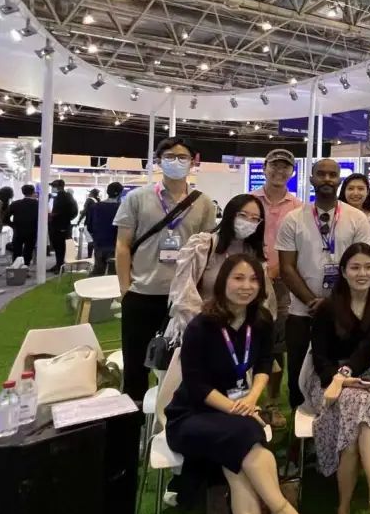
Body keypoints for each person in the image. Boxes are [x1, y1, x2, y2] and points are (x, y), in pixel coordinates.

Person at [164, 254, 315, 514]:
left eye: (253, 279)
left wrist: (252, 398)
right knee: (247, 440)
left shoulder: (260, 320)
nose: (246, 286)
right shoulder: (201, 326)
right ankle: (282, 512)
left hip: (236, 411)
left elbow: (264, 363)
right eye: (238, 278)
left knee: (240, 465)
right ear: (223, 282)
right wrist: (238, 408)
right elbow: (196, 386)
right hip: (192, 415)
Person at [302, 243, 370, 514]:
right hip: (325, 380)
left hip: (363, 374)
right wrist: (340, 379)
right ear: (343, 271)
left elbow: (368, 350)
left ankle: (344, 510)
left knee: (357, 418)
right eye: (355, 267)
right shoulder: (327, 308)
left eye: (368, 267)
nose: (362, 273)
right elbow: (320, 359)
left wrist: (348, 377)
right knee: (362, 404)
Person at [115, 137, 218, 402]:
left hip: (183, 298)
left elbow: (206, 251)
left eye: (182, 157)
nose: (176, 162)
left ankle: (173, 413)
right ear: (158, 161)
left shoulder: (204, 203)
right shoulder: (137, 198)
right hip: (142, 294)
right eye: (169, 156)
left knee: (182, 362)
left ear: (193, 162)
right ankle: (133, 415)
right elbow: (123, 246)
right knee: (135, 362)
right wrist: (125, 289)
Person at [277, 158, 370, 409]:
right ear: (311, 179)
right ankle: (299, 426)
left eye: (333, 174)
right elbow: (286, 268)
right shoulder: (293, 219)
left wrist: (332, 304)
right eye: (321, 174)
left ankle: (333, 419)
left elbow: (361, 265)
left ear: (339, 179)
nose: (327, 179)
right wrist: (312, 302)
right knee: (297, 372)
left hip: (345, 311)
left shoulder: (356, 219)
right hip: (302, 311)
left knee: (336, 369)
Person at [168, 194, 274, 333]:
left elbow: (263, 298)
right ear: (230, 214)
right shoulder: (203, 245)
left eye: (255, 219)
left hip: (241, 331)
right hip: (200, 328)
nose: (248, 222)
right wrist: (204, 325)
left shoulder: (254, 253)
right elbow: (184, 293)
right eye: (243, 215)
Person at [252, 149, 303, 410]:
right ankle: (245, 398)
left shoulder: (298, 207)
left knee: (275, 344)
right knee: (244, 339)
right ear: (265, 168)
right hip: (249, 282)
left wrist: (279, 270)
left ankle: (271, 402)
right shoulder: (248, 201)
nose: (279, 171)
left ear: (292, 172)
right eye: (274, 166)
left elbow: (301, 248)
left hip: (282, 286)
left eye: (285, 167)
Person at [86, 182, 123, 276]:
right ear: (120, 193)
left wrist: (96, 237)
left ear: (107, 192)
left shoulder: (95, 207)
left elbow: (89, 226)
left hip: (99, 244)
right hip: (115, 244)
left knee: (98, 271)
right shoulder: (121, 208)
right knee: (113, 274)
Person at [340, 173, 370, 253]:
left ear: (367, 192)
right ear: (344, 191)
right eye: (350, 188)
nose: (355, 193)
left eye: (360, 189)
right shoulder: (336, 215)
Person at [47, 178, 78, 274]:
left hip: (61, 226)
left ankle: (60, 266)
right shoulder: (61, 196)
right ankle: (58, 264)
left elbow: (70, 211)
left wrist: (58, 217)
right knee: (57, 246)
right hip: (59, 225)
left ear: (59, 186)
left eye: (54, 186)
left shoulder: (64, 196)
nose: (52, 188)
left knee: (60, 247)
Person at [7, 184, 39, 266]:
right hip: (32, 231)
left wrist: (12, 225)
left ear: (22, 192)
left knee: (17, 251)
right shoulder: (38, 204)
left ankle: (16, 267)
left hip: (18, 230)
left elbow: (6, 217)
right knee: (28, 250)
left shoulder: (15, 204)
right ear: (33, 192)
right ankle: (25, 267)